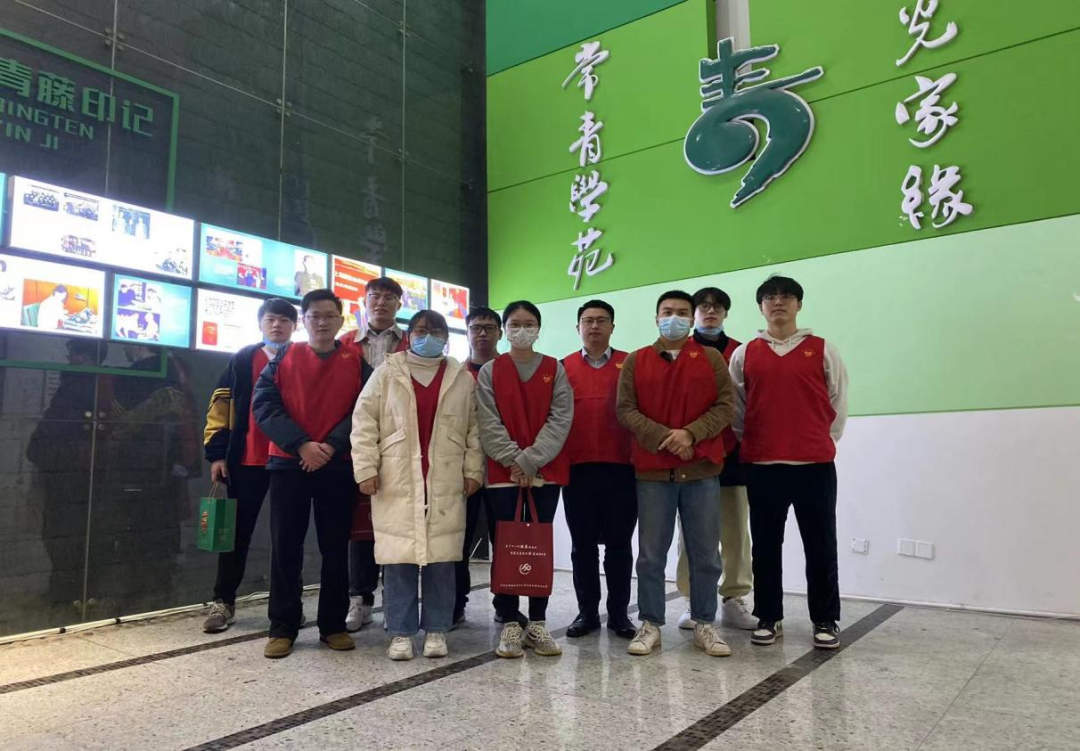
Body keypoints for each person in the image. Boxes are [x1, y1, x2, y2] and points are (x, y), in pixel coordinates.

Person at [352, 310, 483, 660]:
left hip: (445, 476)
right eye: (422, 330)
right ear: (409, 335)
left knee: (442, 557)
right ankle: (400, 632)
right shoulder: (387, 372)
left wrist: (474, 470)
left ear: (447, 337)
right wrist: (365, 468)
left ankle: (437, 629)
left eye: (437, 331)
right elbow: (364, 422)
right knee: (399, 558)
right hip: (396, 476)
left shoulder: (460, 377)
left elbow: (474, 429)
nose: (429, 336)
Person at [728, 275, 848, 650]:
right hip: (763, 466)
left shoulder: (823, 349)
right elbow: (737, 411)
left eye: (786, 296)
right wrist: (755, 443)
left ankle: (825, 619)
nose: (778, 302)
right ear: (761, 307)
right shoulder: (745, 353)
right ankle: (769, 617)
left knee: (821, 544)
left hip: (814, 466)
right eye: (770, 297)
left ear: (799, 304)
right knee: (765, 546)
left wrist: (820, 441)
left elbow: (837, 402)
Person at [616, 290, 735, 658]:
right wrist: (667, 438)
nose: (674, 318)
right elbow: (626, 410)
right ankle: (650, 623)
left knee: (706, 554)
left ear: (692, 318)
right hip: (653, 473)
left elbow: (725, 406)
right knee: (651, 555)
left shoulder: (711, 359)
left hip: (701, 471)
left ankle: (704, 623)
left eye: (682, 312)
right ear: (656, 318)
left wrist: (691, 435)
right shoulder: (637, 360)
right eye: (667, 312)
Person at [253, 289, 372, 659]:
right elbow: (264, 405)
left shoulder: (356, 362)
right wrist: (302, 444)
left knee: (335, 547)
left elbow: (366, 411)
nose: (321, 322)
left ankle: (333, 625)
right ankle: (282, 627)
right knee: (285, 546)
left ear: (341, 321)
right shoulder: (283, 357)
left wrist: (331, 446)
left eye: (329, 316)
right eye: (314, 316)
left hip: (337, 465)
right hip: (289, 463)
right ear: (303, 321)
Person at [476, 300, 572, 659]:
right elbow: (488, 421)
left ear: (538, 329)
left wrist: (530, 461)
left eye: (528, 323)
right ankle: (509, 622)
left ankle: (538, 622)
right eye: (515, 324)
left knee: (538, 546)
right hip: (503, 475)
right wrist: (514, 461)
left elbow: (560, 418)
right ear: (505, 329)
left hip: (544, 474)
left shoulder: (554, 369)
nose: (521, 329)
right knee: (505, 546)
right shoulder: (490, 371)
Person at [201, 298, 298, 633]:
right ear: (260, 323)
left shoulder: (302, 358)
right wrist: (217, 454)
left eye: (284, 320)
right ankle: (223, 601)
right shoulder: (242, 359)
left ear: (294, 326)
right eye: (271, 319)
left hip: (290, 461)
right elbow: (219, 406)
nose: (277, 325)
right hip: (246, 460)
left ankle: (289, 607)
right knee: (235, 534)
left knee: (288, 537)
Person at [673, 287, 758, 631]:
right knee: (690, 533)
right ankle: (692, 598)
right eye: (704, 307)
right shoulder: (677, 350)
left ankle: (733, 597)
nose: (710, 312)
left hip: (733, 454)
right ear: (694, 313)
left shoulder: (741, 351)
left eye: (718, 307)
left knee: (736, 530)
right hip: (690, 453)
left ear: (725, 313)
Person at [561, 300, 637, 640]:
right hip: (577, 470)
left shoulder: (630, 363)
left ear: (612, 327)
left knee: (620, 545)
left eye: (601, 320)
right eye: (588, 320)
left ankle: (619, 614)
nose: (594, 326)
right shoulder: (562, 367)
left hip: (622, 468)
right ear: (578, 327)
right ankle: (587, 613)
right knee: (583, 546)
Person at [339, 276, 410, 632]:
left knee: (398, 525)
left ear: (399, 303)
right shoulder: (345, 344)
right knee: (360, 527)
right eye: (374, 296)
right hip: (355, 444)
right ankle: (360, 599)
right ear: (364, 301)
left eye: (389, 297)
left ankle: (395, 602)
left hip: (402, 446)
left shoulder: (413, 343)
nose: (381, 302)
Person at [453, 306, 503, 626]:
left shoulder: (509, 371)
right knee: (458, 540)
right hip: (462, 472)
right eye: (475, 328)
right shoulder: (455, 375)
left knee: (505, 540)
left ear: (500, 333)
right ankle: (456, 602)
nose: (482, 333)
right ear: (467, 333)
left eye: (489, 327)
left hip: (503, 469)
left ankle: (505, 604)